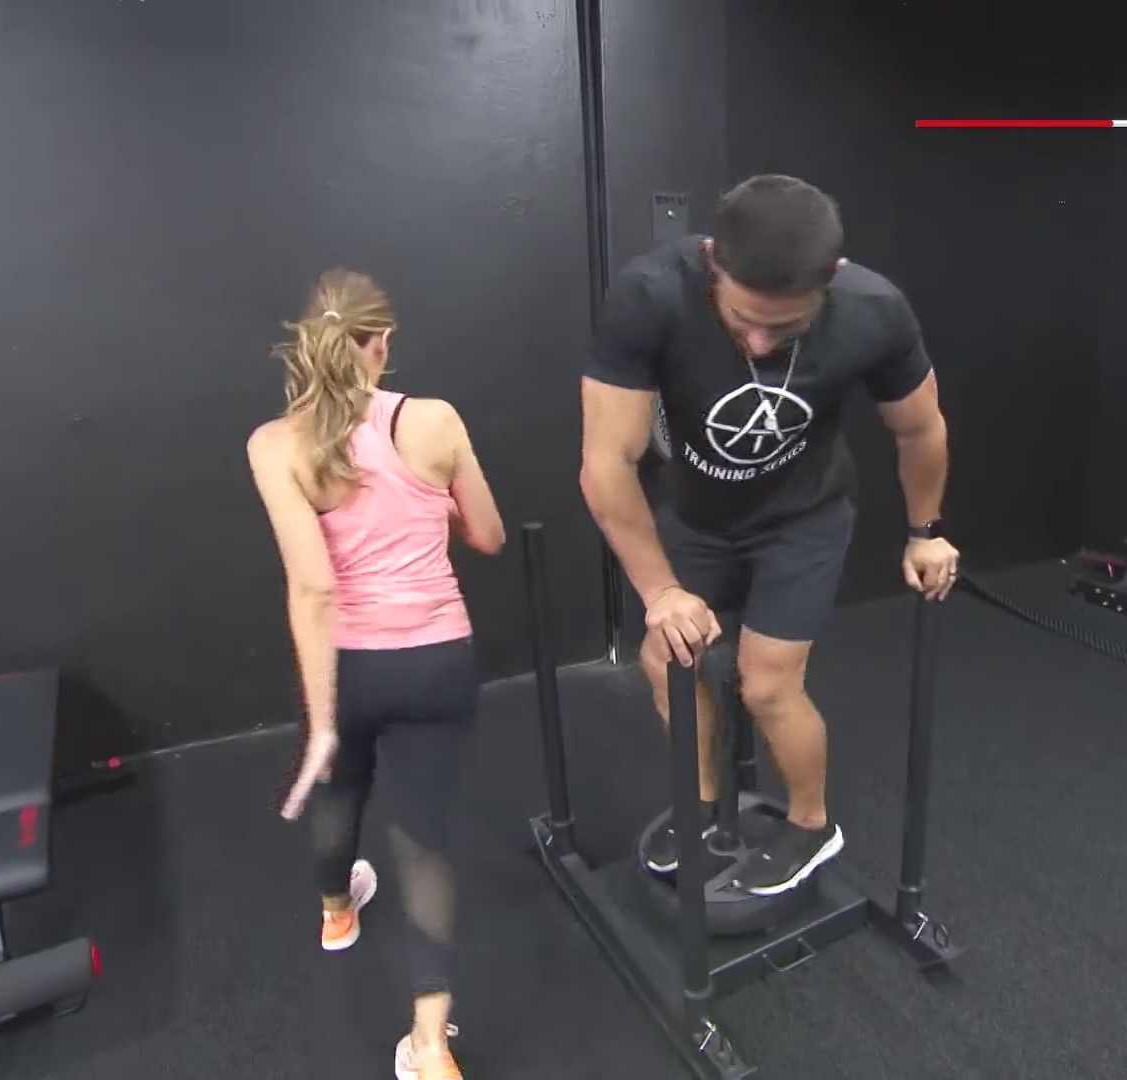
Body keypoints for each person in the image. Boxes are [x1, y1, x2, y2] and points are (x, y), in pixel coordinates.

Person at [579, 174, 958, 896]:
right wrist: (660, 593)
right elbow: (606, 464)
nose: (758, 341)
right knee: (669, 660)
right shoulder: (651, 295)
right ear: (712, 261)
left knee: (767, 684)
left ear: (831, 278)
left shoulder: (873, 310)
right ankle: (699, 807)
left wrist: (926, 531)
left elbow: (921, 429)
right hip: (693, 515)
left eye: (783, 329)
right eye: (742, 320)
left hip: (802, 518)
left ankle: (812, 826)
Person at [248, 269, 504, 1080]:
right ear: (381, 344)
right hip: (437, 662)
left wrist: (324, 720)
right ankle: (430, 1046)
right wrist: (430, 503)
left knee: (339, 789)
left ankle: (336, 913)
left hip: (350, 667)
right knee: (423, 844)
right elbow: (489, 535)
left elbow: (313, 588)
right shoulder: (433, 420)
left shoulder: (275, 445)